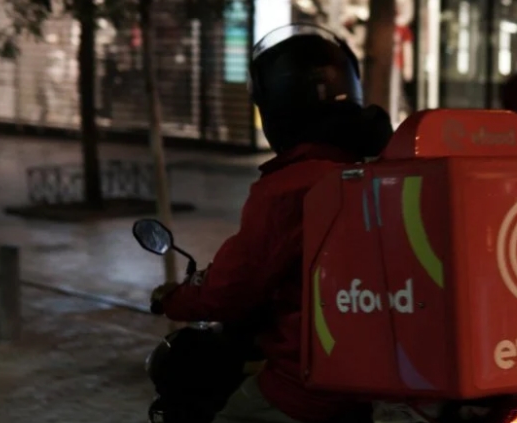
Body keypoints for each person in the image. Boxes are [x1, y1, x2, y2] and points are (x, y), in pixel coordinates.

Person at [150, 24, 393, 423]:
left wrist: (175, 298)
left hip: (312, 389)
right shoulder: (382, 170)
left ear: (277, 108)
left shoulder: (291, 187)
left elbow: (232, 287)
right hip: (381, 378)